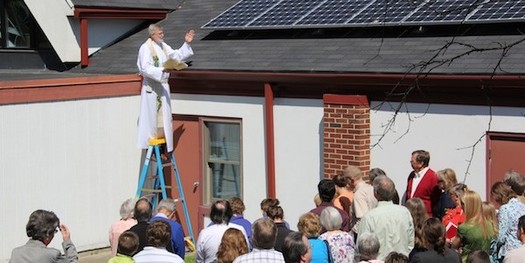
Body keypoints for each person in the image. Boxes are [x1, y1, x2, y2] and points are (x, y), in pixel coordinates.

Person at [136, 23, 194, 154]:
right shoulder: (145, 48)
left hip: (163, 87)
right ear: (152, 34)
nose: (163, 35)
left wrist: (187, 43)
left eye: (163, 33)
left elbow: (176, 56)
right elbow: (144, 68)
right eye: (160, 33)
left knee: (165, 117)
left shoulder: (163, 46)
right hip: (152, 88)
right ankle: (152, 142)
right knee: (152, 118)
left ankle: (163, 142)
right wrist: (162, 69)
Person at [358, 175, 414, 260]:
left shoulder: (369, 217)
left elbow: (362, 247)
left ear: (375, 193)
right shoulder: (405, 212)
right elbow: (411, 244)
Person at [10, 209, 78, 263]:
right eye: (54, 231)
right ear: (47, 234)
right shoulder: (53, 255)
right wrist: (67, 241)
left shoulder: (16, 253)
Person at [451, 190, 496, 262]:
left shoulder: (464, 228)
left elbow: (454, 246)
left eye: (463, 204)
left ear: (468, 206)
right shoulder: (490, 225)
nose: (461, 206)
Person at [490, 181, 525, 260]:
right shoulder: (522, 206)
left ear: (496, 196)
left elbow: (501, 237)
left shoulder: (505, 209)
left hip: (510, 251)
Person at [405, 150, 441, 218]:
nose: (410, 163)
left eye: (412, 161)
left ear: (421, 163)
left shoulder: (432, 177)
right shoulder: (412, 175)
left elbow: (436, 200)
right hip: (411, 215)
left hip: (425, 217)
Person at [346, 166, 377, 234]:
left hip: (363, 234)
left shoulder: (359, 194)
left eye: (346, 181)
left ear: (352, 180)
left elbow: (362, 219)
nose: (346, 184)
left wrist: (352, 233)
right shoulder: (372, 189)